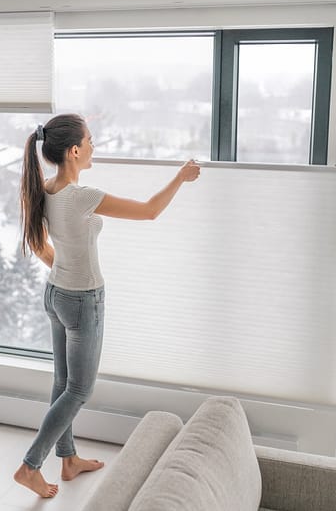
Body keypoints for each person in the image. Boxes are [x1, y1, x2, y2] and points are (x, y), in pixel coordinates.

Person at [13, 113, 201, 498]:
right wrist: (180, 178)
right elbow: (149, 210)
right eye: (91, 140)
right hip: (83, 300)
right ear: (75, 151)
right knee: (79, 389)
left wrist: (64, 268)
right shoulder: (81, 197)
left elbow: (38, 245)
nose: (94, 147)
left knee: (63, 384)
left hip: (55, 293)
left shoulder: (43, 189)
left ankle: (68, 460)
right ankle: (31, 465)